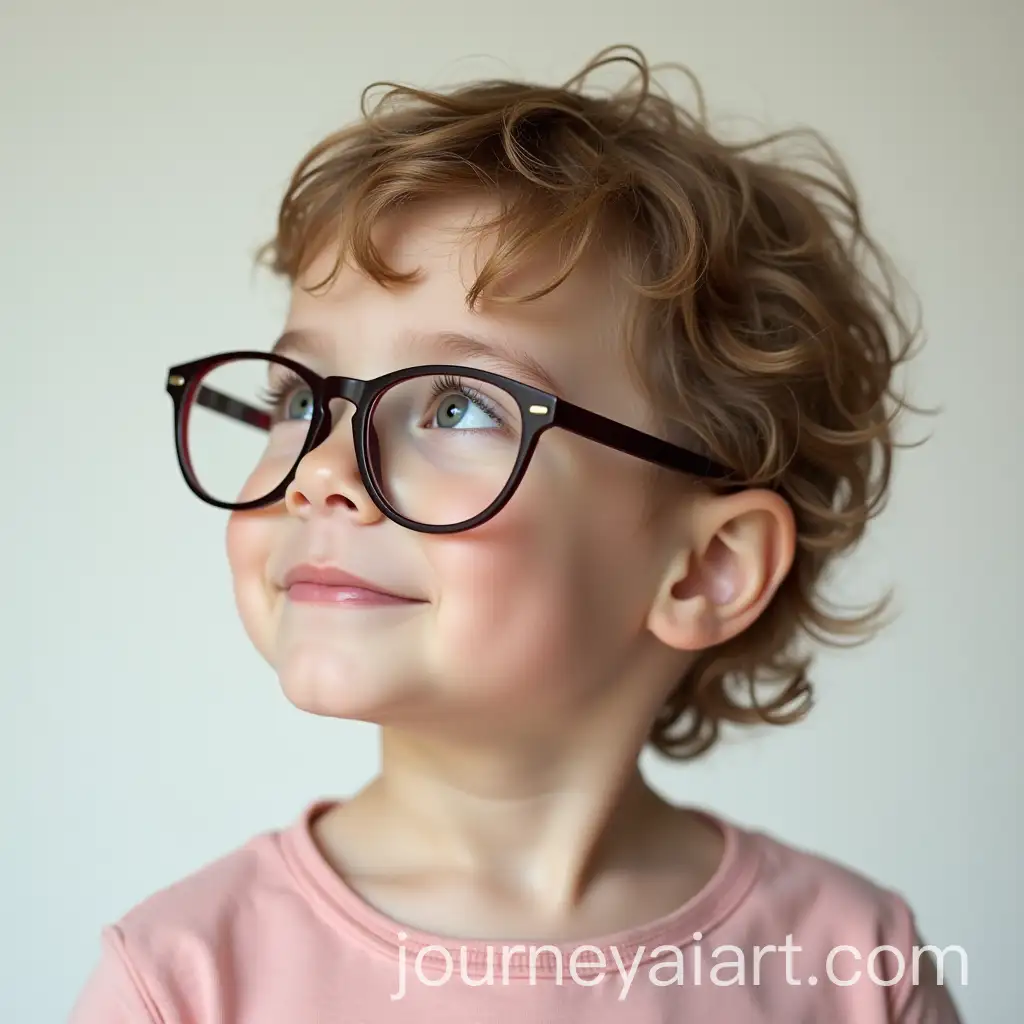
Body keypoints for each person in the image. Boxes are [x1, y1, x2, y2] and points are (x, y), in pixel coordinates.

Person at [69, 45, 963, 1023]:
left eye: (456, 406)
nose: (322, 470)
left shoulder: (853, 972)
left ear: (706, 566)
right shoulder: (182, 981)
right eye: (297, 396)